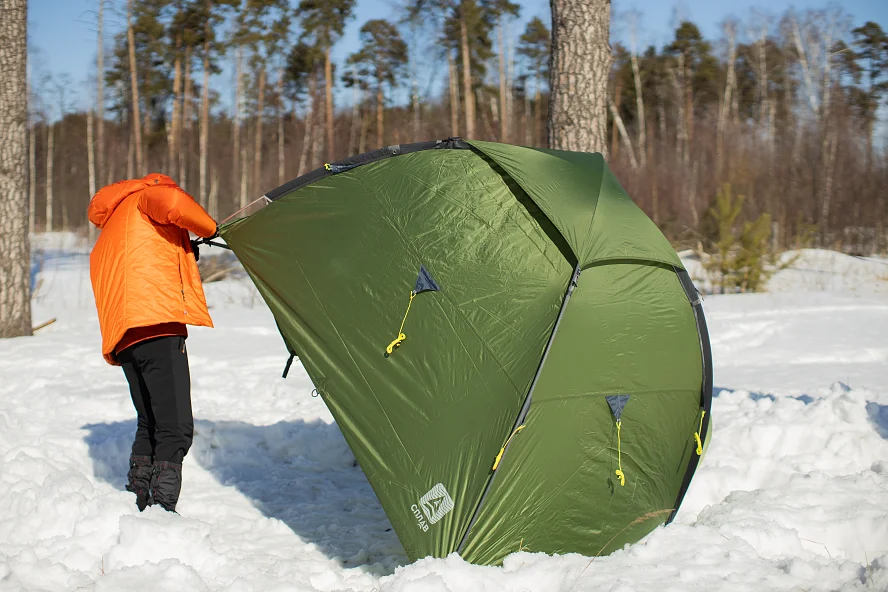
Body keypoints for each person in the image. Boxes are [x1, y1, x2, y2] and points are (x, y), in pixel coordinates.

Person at [88, 173, 218, 513]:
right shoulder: (147, 197)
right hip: (157, 325)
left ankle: (138, 499)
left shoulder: (114, 223)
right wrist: (210, 229)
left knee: (150, 421)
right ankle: (162, 511)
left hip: (125, 336)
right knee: (175, 428)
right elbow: (175, 205)